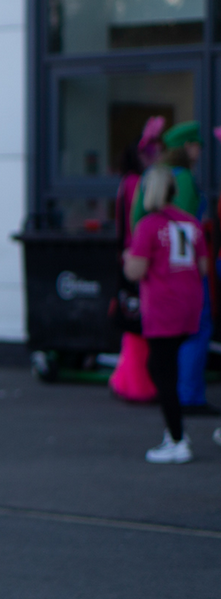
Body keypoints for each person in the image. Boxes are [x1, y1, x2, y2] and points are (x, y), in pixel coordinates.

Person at [125, 167, 209, 463]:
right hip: (189, 304)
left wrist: (128, 259)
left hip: (162, 307)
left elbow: (135, 270)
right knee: (165, 367)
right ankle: (174, 433)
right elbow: (202, 267)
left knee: (163, 373)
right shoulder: (191, 223)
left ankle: (176, 439)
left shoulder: (149, 225)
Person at [108, 117, 164, 403]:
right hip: (136, 258)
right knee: (138, 325)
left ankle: (126, 380)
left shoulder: (126, 182)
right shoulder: (136, 184)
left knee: (134, 324)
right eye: (150, 152)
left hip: (129, 257)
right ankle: (135, 383)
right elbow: (137, 222)